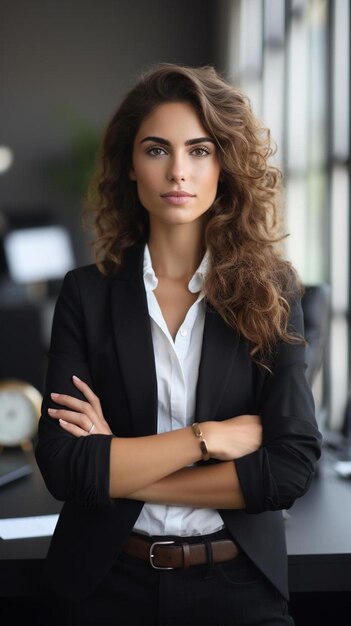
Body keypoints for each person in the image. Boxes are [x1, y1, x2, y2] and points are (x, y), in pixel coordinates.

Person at [35, 63, 322, 626]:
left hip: (240, 586)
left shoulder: (273, 290)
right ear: (131, 167)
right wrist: (207, 438)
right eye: (157, 150)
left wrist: (121, 465)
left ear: (225, 165)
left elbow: (289, 470)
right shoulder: (85, 295)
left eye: (199, 150)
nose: (178, 172)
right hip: (104, 585)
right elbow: (68, 469)